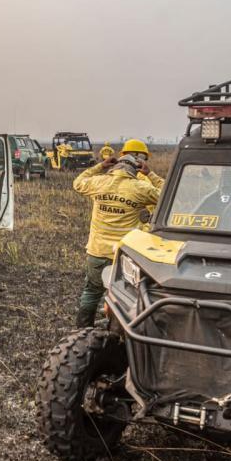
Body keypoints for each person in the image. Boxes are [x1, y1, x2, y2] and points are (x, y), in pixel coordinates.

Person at [72, 139, 161, 328]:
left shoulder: (99, 183)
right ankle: (120, 332)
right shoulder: (140, 188)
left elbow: (78, 183)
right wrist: (150, 174)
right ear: (135, 169)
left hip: (96, 252)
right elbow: (167, 197)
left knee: (91, 292)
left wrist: (99, 166)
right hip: (124, 255)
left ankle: (82, 329)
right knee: (125, 296)